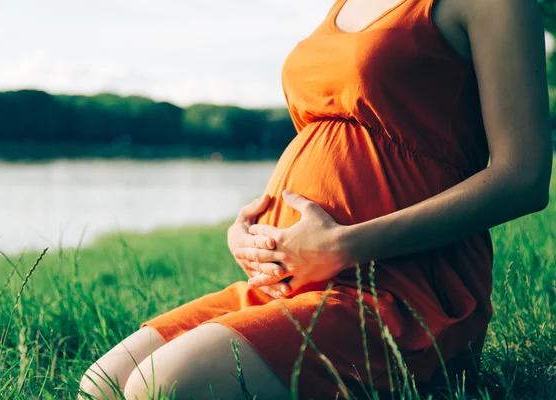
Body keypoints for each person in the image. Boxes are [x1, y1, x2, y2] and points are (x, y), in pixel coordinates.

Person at [79, 0, 552, 398]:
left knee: (159, 386)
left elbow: (523, 177)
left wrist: (342, 246)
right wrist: (251, 233)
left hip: (402, 290)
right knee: (100, 384)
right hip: (291, 284)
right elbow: (333, 145)